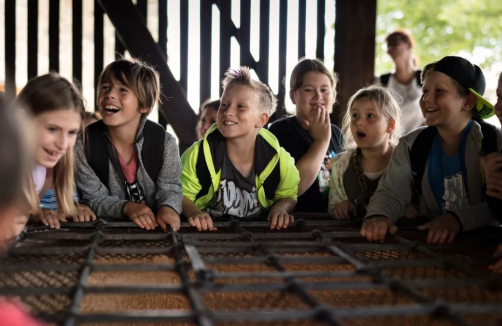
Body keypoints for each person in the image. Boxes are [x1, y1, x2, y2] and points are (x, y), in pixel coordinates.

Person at [361, 56, 501, 243]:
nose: (427, 98)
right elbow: (391, 193)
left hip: (486, 250)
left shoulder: (495, 142)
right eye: (425, 91)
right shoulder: (411, 145)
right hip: (430, 246)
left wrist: (458, 219)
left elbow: (497, 205)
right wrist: (378, 215)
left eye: (440, 91)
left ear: (468, 101)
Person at [181, 67, 299, 231]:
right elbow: (181, 194)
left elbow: (288, 194)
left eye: (241, 106)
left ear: (261, 120)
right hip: (209, 233)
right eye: (224, 105)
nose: (228, 111)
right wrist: (193, 211)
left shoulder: (280, 160)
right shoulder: (197, 155)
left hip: (260, 235)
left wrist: (281, 208)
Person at [75, 58, 183, 231]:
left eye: (123, 90)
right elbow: (94, 198)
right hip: (106, 231)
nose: (110, 94)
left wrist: (168, 209)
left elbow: (170, 188)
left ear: (144, 105)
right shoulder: (83, 145)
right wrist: (128, 208)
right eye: (105, 87)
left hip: (156, 229)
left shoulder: (164, 143)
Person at [14, 73, 91, 229]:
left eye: (71, 133)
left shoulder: (39, 169)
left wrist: (35, 213)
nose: (63, 145)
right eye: (52, 129)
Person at [329, 85, 415, 219]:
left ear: (390, 125)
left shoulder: (407, 159)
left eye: (370, 116)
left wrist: (412, 209)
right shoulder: (340, 165)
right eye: (355, 115)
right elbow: (332, 208)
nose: (359, 122)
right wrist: (341, 207)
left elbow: (422, 203)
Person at [269, 58, 343, 213]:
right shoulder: (281, 131)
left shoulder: (336, 133)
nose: (318, 96)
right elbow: (290, 189)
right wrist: (321, 141)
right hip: (294, 220)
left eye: (324, 90)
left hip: (331, 221)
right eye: (308, 90)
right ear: (292, 96)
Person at [375, 30, 425, 134]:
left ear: (409, 45)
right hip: (389, 144)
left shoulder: (425, 79)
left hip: (420, 143)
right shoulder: (381, 82)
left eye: (395, 43)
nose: (390, 48)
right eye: (388, 45)